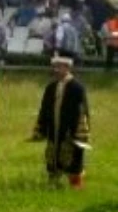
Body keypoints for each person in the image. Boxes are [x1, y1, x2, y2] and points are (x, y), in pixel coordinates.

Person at [32, 53, 91, 188]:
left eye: (60, 67)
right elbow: (44, 108)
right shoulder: (51, 87)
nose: (56, 70)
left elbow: (83, 111)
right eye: (55, 67)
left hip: (70, 130)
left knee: (72, 156)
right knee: (53, 154)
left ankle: (75, 184)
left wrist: (79, 132)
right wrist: (41, 127)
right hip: (54, 128)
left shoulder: (77, 88)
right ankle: (54, 181)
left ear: (67, 67)